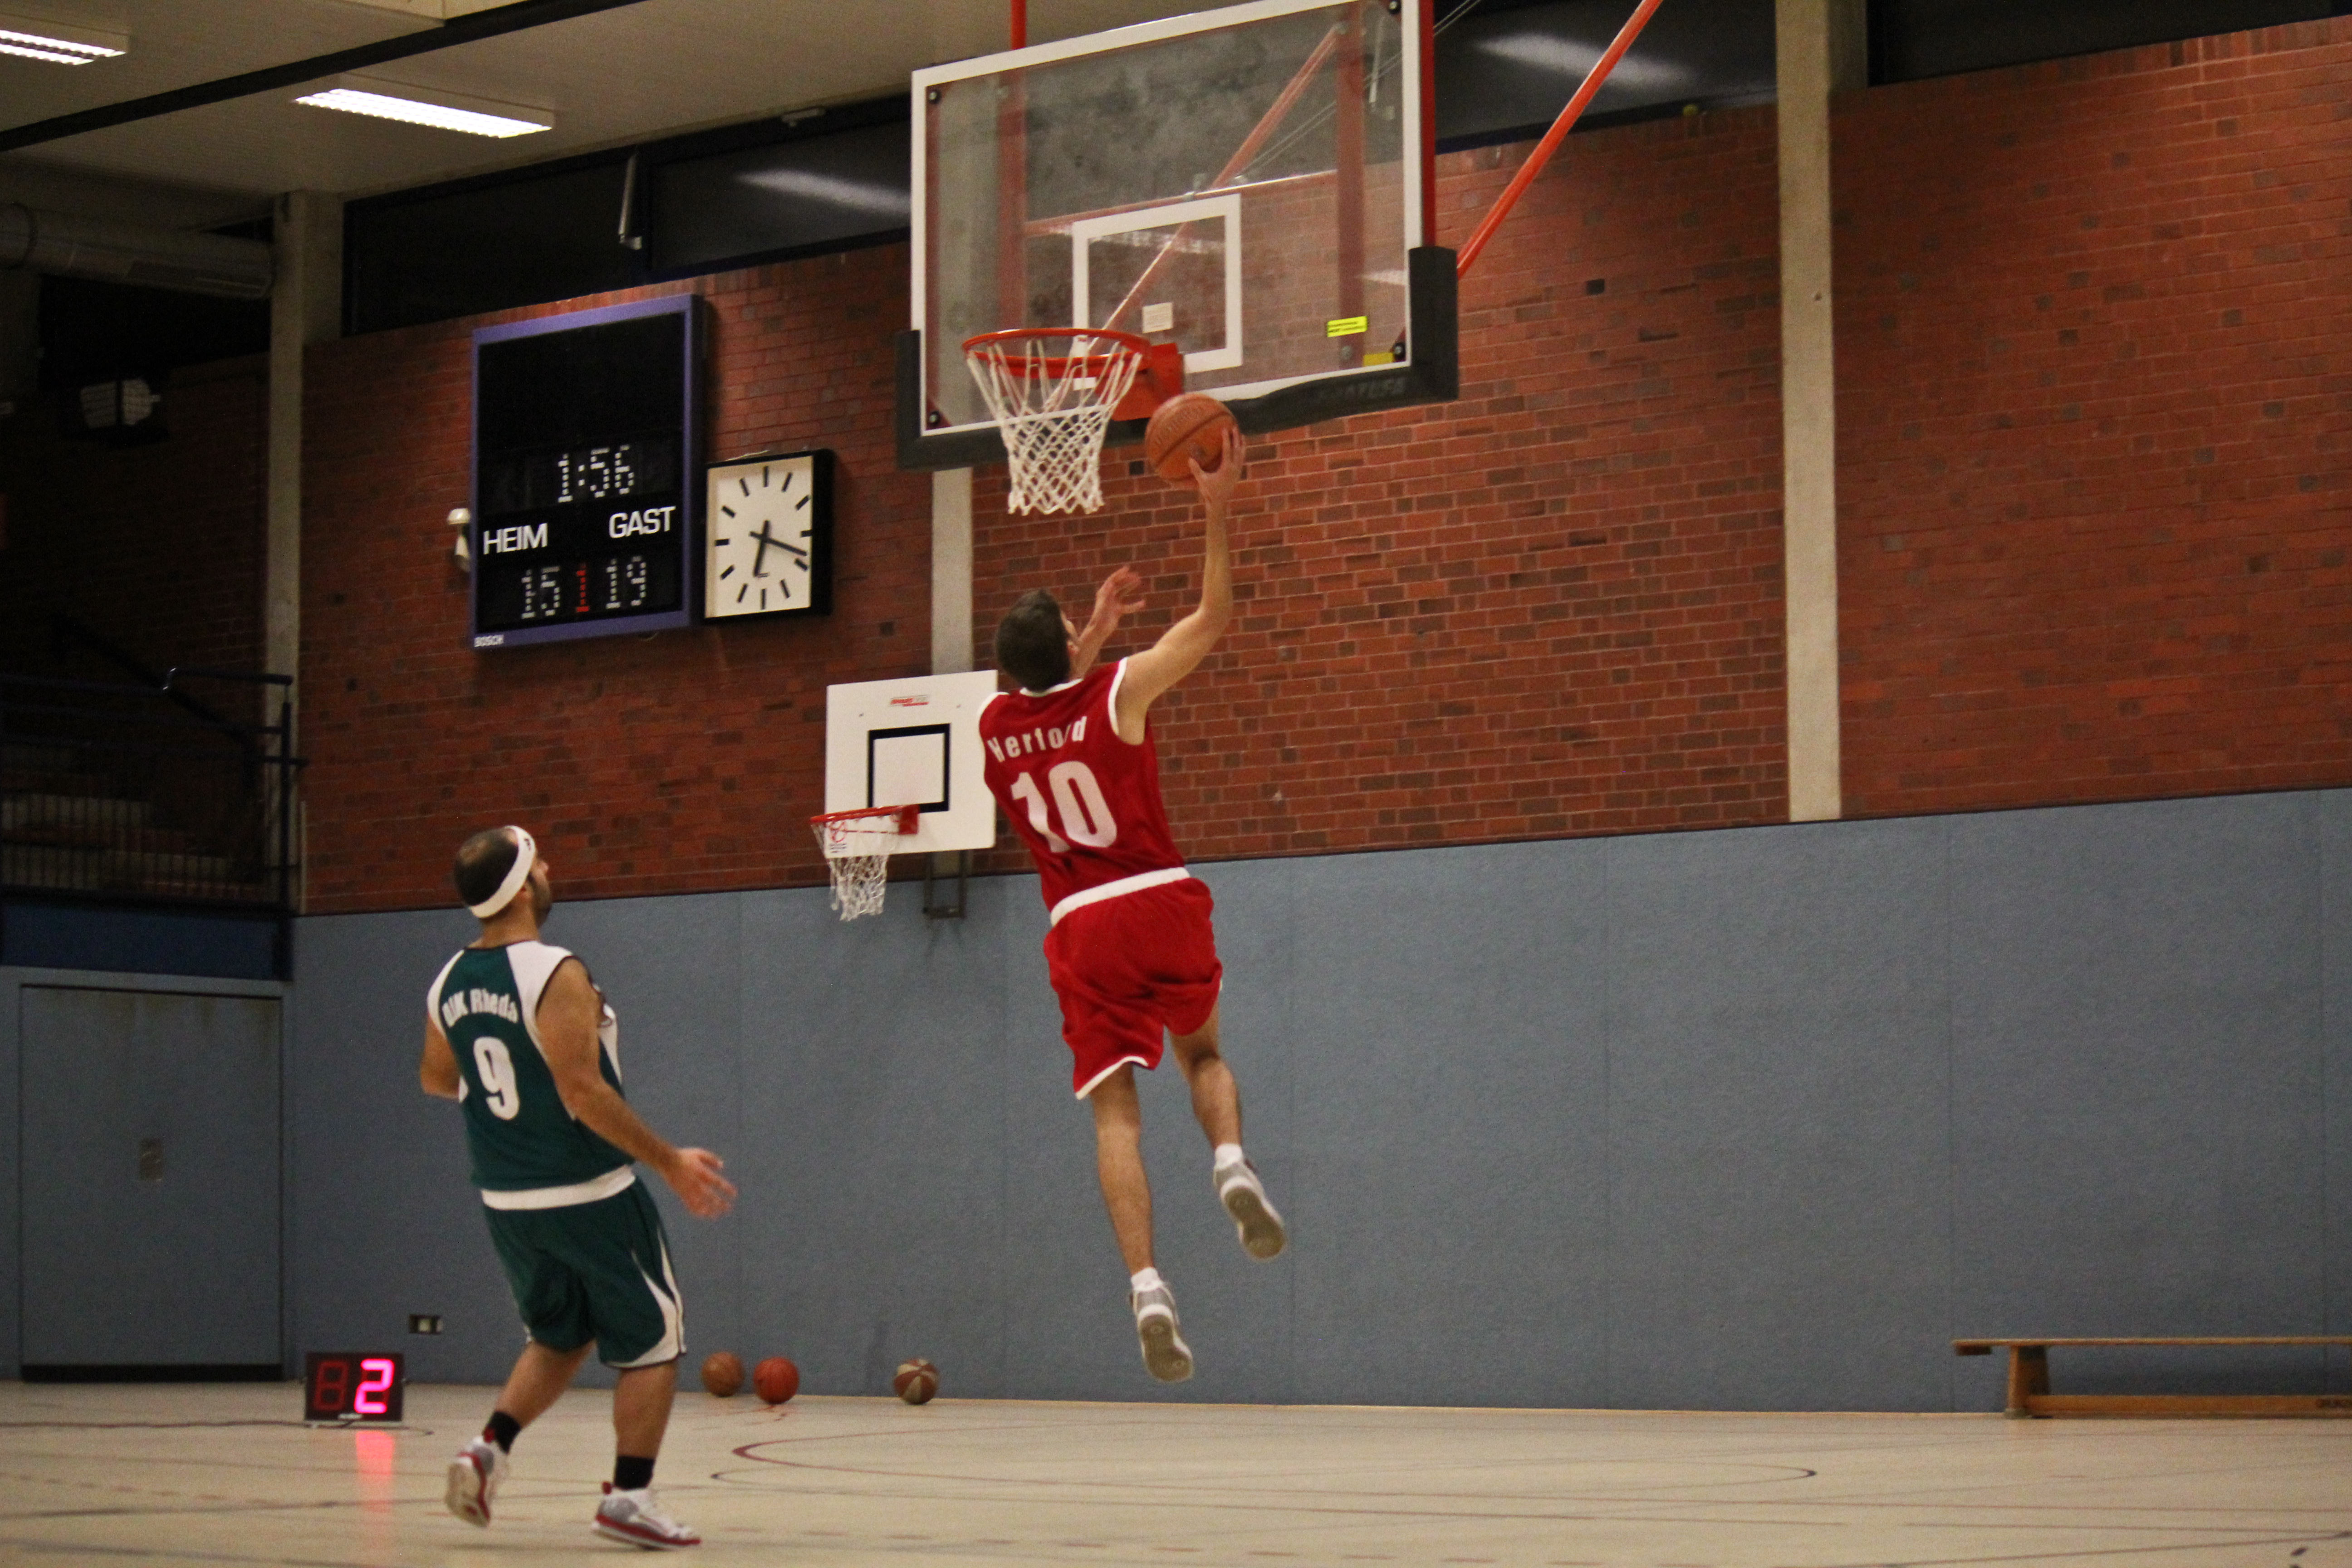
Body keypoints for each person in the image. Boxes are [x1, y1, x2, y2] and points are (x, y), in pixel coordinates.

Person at [979, 426, 1285, 1384]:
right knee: (1205, 1055)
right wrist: (1218, 512)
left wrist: (1089, 633)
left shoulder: (992, 726)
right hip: (1155, 898)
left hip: (1079, 929)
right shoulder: (1117, 693)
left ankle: (1148, 1287)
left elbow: (1045, 697)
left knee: (1116, 1116)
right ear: (1070, 648)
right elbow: (1212, 618)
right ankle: (1230, 1161)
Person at [420, 825, 736, 1549]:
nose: (550, 871)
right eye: (540, 863)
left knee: (560, 1334)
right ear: (522, 888)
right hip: (588, 1193)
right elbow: (583, 1092)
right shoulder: (553, 970)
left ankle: (488, 1450)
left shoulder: (448, 981)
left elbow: (438, 1079)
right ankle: (628, 1499)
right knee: (654, 1339)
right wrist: (669, 1162)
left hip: (507, 1200)